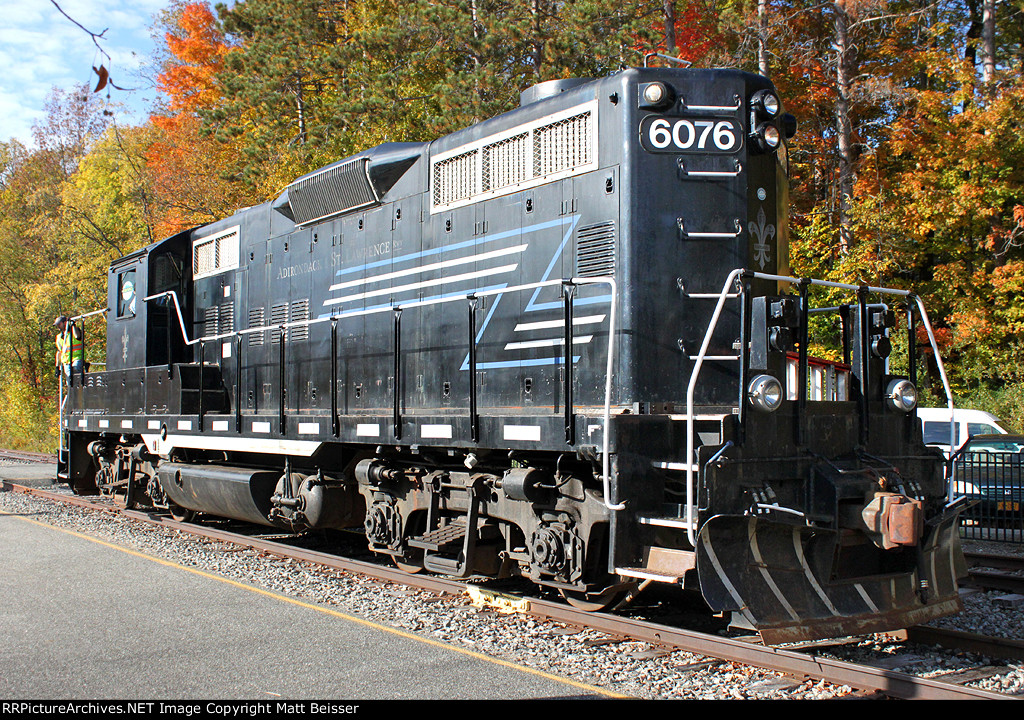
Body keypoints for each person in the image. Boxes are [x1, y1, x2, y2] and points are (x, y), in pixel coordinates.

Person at [54, 315, 84, 379]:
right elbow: (59, 352)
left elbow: (77, 336)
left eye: (59, 324)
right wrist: (57, 366)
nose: (58, 326)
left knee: (76, 369)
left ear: (65, 323)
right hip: (67, 362)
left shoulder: (74, 332)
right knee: (69, 379)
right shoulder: (59, 337)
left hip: (77, 358)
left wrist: (73, 325)